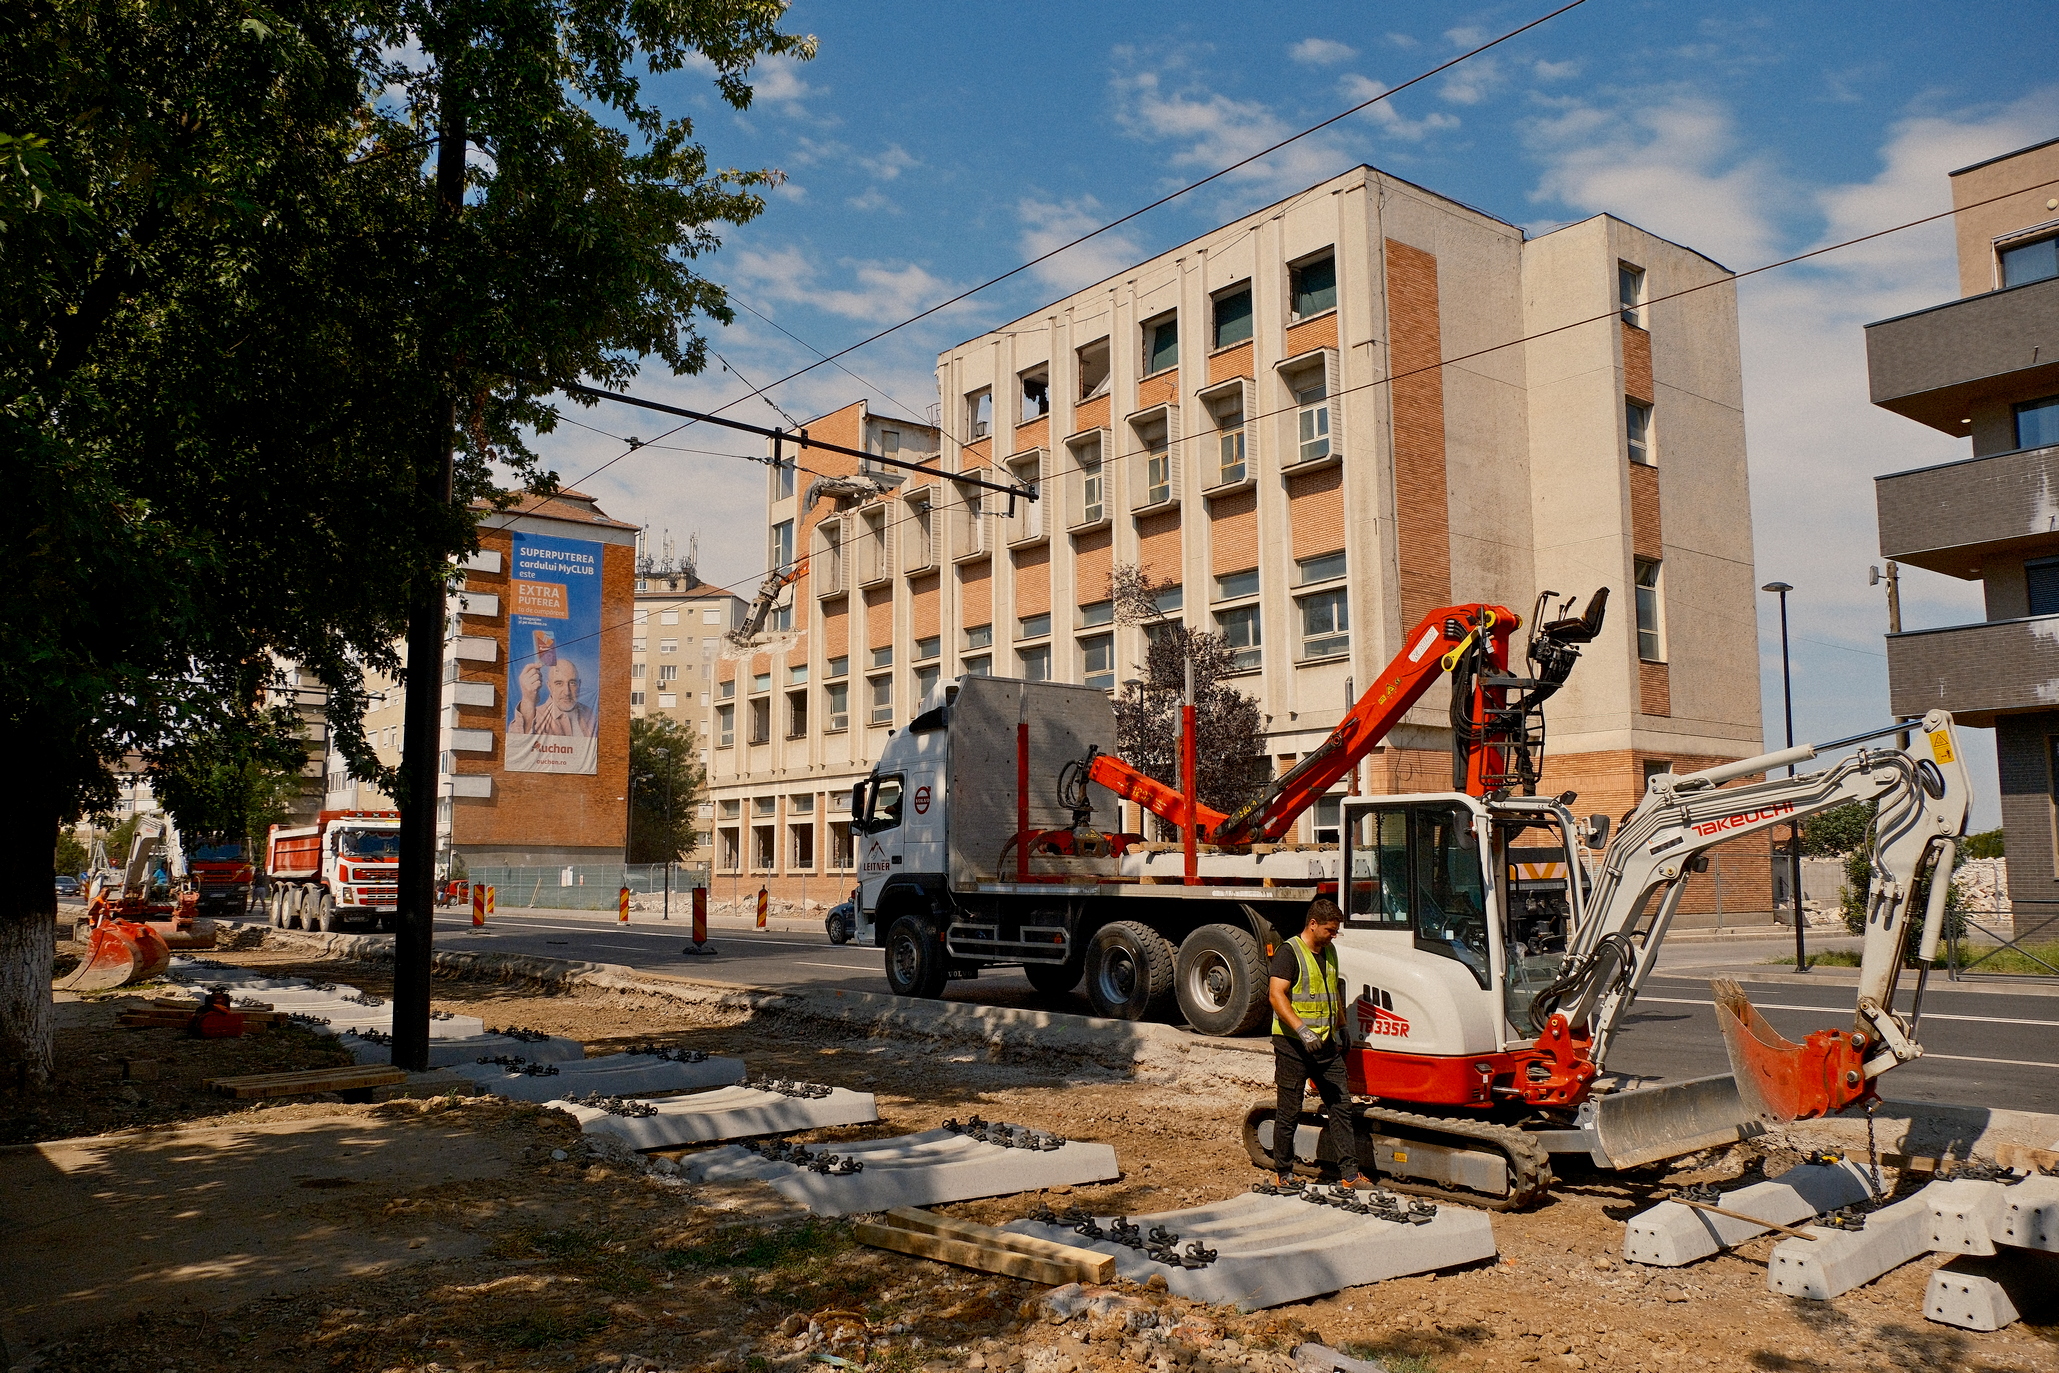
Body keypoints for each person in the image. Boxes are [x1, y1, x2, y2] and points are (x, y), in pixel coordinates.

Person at [1267, 897, 1362, 1189]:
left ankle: (1350, 1175)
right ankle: (1283, 1172)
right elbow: (1276, 995)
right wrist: (1301, 1029)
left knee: (1341, 1105)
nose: (1333, 935)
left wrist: (1342, 1026)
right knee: (1289, 1110)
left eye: (1335, 931)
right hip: (1293, 1045)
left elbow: (1332, 991)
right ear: (1313, 924)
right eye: (1330, 930)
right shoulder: (1289, 952)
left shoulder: (1329, 951)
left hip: (1325, 1045)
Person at [514, 658, 598, 737]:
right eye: (559, 683)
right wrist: (528, 700)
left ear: (579, 684)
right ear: (549, 686)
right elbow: (517, 743)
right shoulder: (535, 717)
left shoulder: (590, 714)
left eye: (572, 683)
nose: (567, 692)